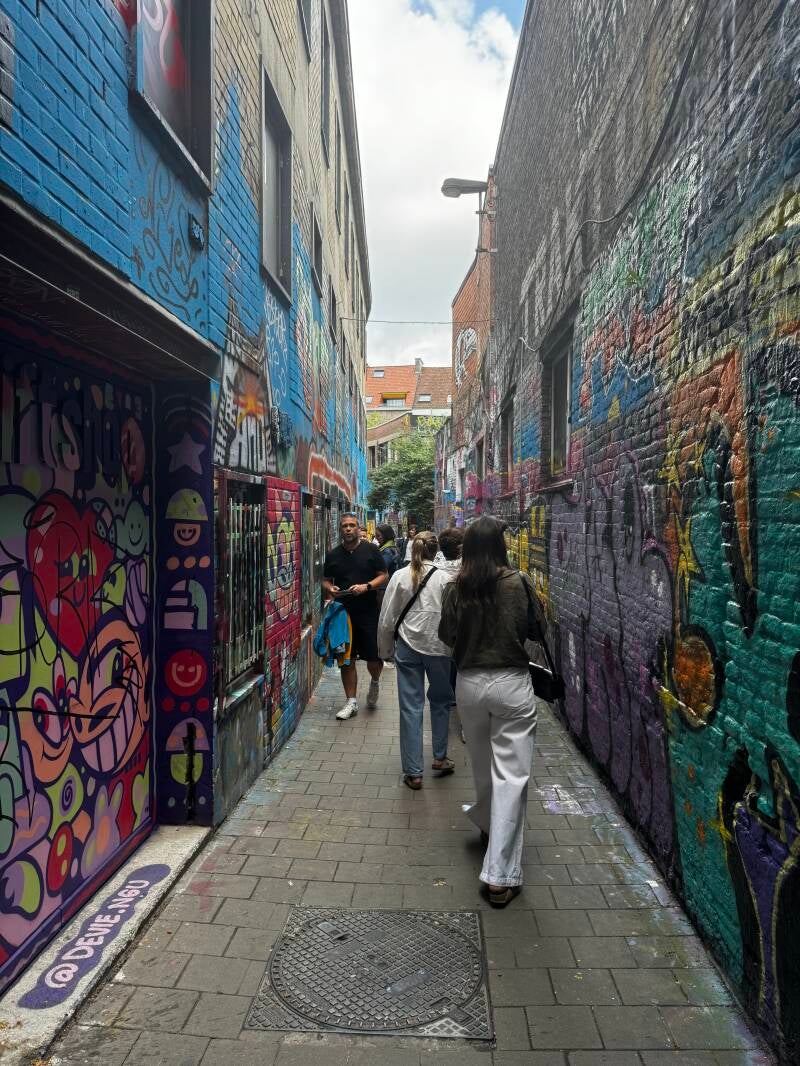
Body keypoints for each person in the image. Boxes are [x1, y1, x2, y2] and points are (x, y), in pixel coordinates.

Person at [438, 515, 547, 908]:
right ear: (500, 547)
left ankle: (489, 825)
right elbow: (537, 629)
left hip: (469, 685)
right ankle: (500, 875)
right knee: (511, 776)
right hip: (511, 684)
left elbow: (446, 635)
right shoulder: (518, 582)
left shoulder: (456, 587)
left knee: (484, 767)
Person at [378, 531, 457, 790]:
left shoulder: (400, 576)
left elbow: (387, 618)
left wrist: (385, 651)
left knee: (411, 707)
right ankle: (440, 757)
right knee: (441, 701)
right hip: (439, 648)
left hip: (407, 647)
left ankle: (414, 773)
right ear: (436, 552)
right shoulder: (446, 579)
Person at [323, 513, 388, 720]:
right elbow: (325, 579)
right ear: (340, 529)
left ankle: (375, 682)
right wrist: (330, 588)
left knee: (373, 658)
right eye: (345, 526)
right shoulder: (333, 555)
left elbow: (383, 575)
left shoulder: (371, 550)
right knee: (346, 658)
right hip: (343, 614)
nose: (348, 529)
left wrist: (366, 586)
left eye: (352, 525)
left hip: (368, 612)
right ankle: (351, 702)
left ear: (359, 529)